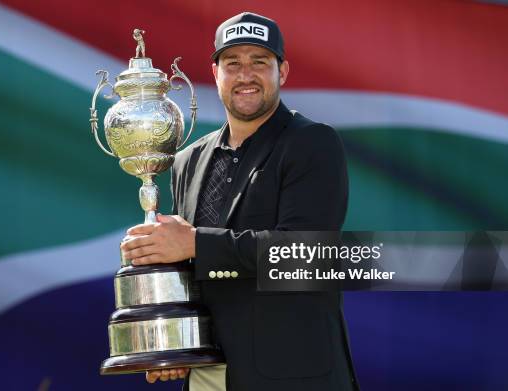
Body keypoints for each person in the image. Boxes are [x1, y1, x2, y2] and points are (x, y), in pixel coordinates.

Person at [121, 12, 358, 391]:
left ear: (282, 71)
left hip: (293, 376)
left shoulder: (312, 142)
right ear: (215, 73)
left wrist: (194, 241)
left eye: (259, 62)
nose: (245, 75)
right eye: (233, 63)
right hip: (209, 374)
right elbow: (190, 275)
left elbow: (304, 255)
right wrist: (170, 342)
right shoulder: (188, 160)